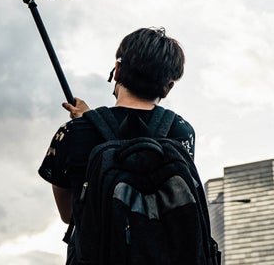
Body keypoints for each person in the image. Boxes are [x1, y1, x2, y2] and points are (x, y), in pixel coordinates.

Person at [38, 27, 196, 255]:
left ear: (118, 70)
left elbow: (70, 214)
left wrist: (89, 124)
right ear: (168, 87)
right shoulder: (182, 132)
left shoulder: (73, 132)